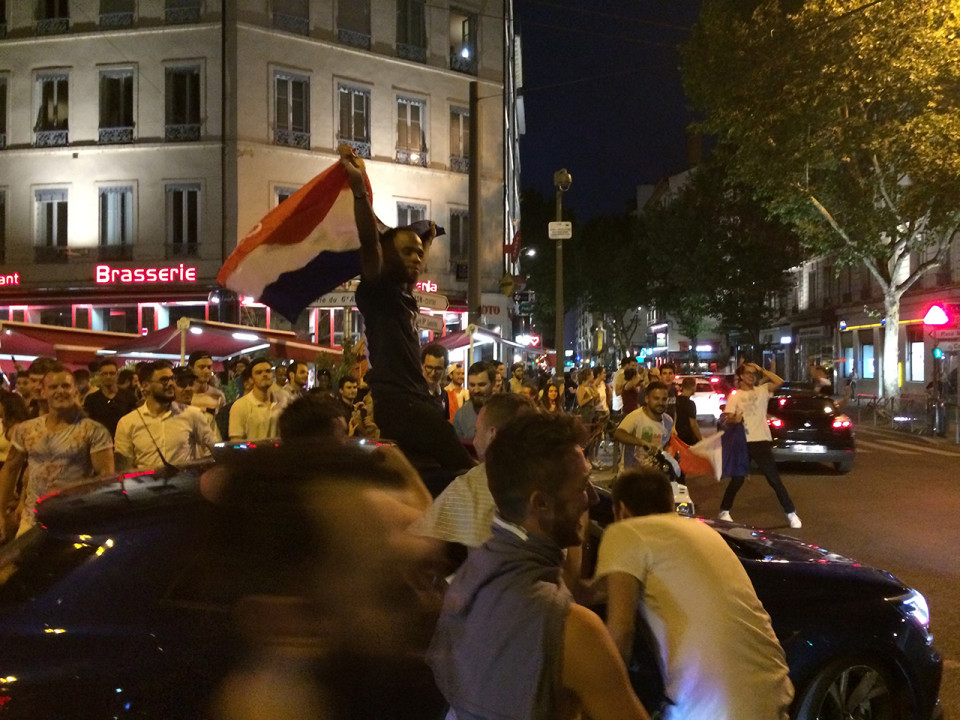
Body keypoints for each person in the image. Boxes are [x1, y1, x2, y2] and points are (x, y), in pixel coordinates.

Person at [427, 412, 651, 720]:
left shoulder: (468, 581)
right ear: (540, 504)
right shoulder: (574, 631)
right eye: (582, 486)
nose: (592, 499)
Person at [594, 469, 794, 720]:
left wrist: (594, 700)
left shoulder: (625, 532)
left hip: (716, 710)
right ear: (670, 504)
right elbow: (600, 590)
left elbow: (621, 632)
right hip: (774, 694)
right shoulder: (703, 532)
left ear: (621, 510)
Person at [341, 145, 472, 474]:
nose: (416, 258)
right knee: (463, 467)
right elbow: (369, 242)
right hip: (401, 403)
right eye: (407, 252)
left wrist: (427, 241)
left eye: (418, 254)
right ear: (387, 256)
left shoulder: (402, 294)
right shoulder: (377, 290)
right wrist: (359, 190)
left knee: (426, 475)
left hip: (413, 400)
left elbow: (414, 269)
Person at [0, 363, 114, 540]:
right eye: (53, 387)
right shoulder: (26, 429)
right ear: (44, 391)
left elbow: (106, 479)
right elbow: (10, 469)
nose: (60, 391)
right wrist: (1, 511)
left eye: (66, 386)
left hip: (73, 522)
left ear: (75, 390)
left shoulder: (94, 431)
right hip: (32, 520)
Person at [412, 393, 537, 550]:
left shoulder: (469, 488)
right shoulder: (549, 480)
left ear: (492, 435)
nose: (474, 441)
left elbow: (420, 545)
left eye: (477, 431)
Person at [719, 362, 802, 529]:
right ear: (741, 376)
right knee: (738, 479)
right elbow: (728, 418)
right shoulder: (735, 396)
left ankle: (791, 513)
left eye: (753, 373)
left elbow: (779, 381)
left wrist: (762, 370)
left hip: (761, 440)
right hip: (743, 441)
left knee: (773, 478)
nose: (751, 376)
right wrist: (735, 419)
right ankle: (724, 510)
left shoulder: (762, 390)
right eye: (748, 373)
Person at [114, 361, 217, 472]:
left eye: (172, 379)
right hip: (146, 482)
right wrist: (152, 472)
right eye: (164, 380)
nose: (171, 384)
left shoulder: (192, 414)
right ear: (145, 385)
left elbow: (215, 450)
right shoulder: (127, 422)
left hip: (184, 481)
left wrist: (195, 469)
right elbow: (124, 470)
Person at [614, 381, 674, 471]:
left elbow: (665, 445)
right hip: (631, 473)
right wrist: (641, 442)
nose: (660, 403)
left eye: (664, 399)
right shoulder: (635, 417)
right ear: (647, 399)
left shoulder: (668, 421)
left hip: (654, 474)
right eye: (656, 398)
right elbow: (618, 434)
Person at [83, 359, 139, 439]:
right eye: (105, 374)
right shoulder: (91, 399)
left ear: (117, 375)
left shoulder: (129, 397)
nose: (108, 376)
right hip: (100, 441)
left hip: (124, 440)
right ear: (99, 375)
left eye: (112, 373)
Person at [228, 357, 280, 441]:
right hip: (251, 449)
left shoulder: (282, 402)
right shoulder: (240, 406)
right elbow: (236, 441)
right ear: (251, 379)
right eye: (259, 373)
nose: (265, 375)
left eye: (268, 371)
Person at [452, 361, 495, 442]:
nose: (476, 390)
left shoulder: (505, 412)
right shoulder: (461, 414)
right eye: (472, 385)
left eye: (481, 385)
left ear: (493, 383)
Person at [420, 343, 451, 420]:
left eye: (438, 369)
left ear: (444, 369)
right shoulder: (415, 393)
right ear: (422, 366)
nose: (433, 373)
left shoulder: (444, 395)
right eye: (429, 367)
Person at [674, 377, 702, 445]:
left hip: (676, 437)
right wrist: (701, 440)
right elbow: (693, 425)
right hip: (687, 439)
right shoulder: (690, 404)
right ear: (692, 387)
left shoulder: (675, 400)